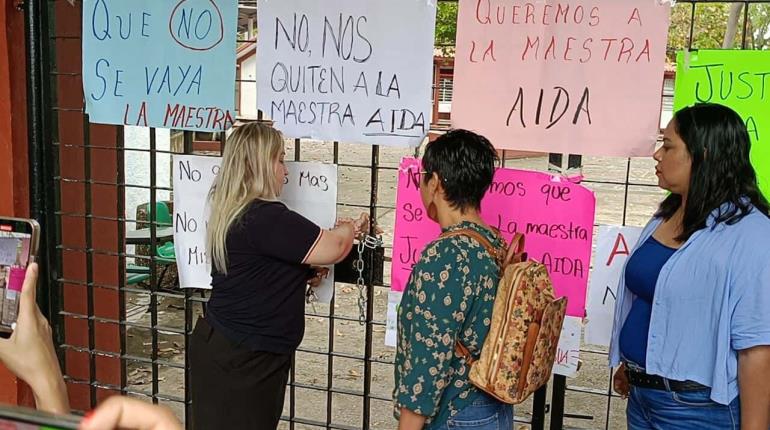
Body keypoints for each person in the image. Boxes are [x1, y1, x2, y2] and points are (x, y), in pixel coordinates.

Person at [190, 122, 369, 429]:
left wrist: (299, 273)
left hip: (238, 351)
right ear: (256, 164)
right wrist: (352, 228)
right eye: (280, 160)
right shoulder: (264, 216)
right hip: (243, 359)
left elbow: (262, 267)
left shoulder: (239, 210)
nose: (285, 171)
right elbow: (336, 247)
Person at [609, 103, 770, 430]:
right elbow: (652, 299)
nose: (657, 155)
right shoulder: (665, 216)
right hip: (642, 398)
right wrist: (634, 365)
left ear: (704, 155)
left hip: (698, 410)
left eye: (668, 146)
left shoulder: (752, 234)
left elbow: (757, 349)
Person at [393, 130, 513, 430]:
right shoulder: (494, 243)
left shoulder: (445, 255)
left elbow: (428, 360)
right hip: (491, 405)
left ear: (435, 182)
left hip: (457, 410)